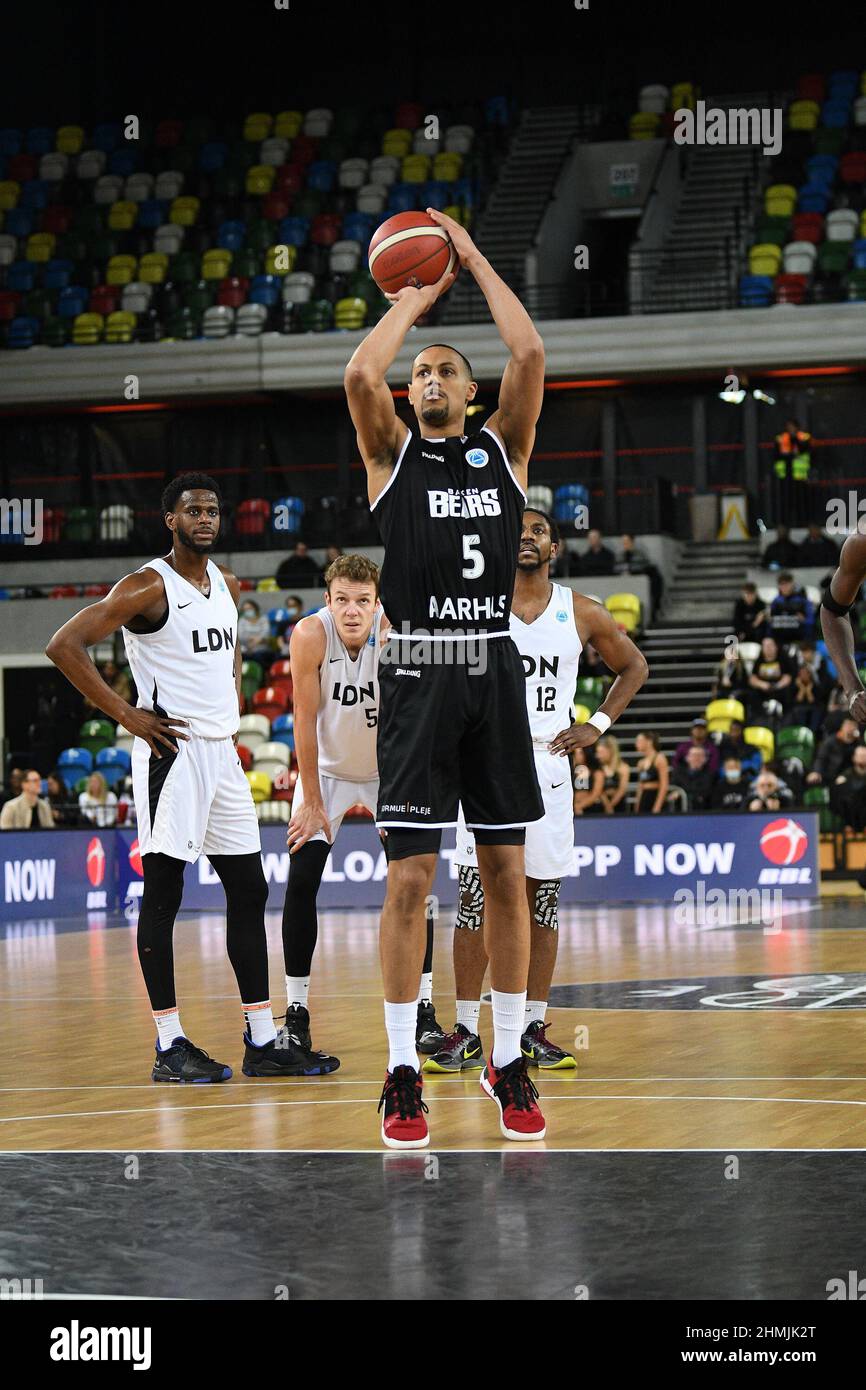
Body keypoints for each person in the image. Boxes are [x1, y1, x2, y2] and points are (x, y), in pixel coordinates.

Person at [345, 206, 553, 1147]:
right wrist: (416, 299)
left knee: (505, 875)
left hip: (493, 670)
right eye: (419, 370)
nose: (425, 374)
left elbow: (532, 352)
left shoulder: (502, 450)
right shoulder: (393, 457)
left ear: (469, 394)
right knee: (410, 881)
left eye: (443, 370)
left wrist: (470, 254)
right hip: (422, 670)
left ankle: (506, 1058)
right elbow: (359, 372)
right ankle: (401, 1071)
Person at [46, 471, 337, 1084]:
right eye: (193, 511)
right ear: (170, 520)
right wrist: (128, 714)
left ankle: (262, 1038)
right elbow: (64, 644)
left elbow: (226, 657)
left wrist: (229, 707)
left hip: (221, 753)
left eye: (213, 510)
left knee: (250, 889)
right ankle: (168, 1044)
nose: (205, 518)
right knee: (165, 896)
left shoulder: (227, 586)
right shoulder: (147, 586)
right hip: (169, 754)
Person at [424, 507, 647, 1075]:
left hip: (547, 764)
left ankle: (529, 1028)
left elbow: (633, 667)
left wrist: (595, 725)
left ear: (555, 548)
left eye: (538, 531)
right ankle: (467, 1031)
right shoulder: (476, 605)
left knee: (540, 901)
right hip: (484, 764)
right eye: (517, 529)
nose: (526, 537)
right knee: (474, 903)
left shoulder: (583, 612)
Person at [280, 554, 445, 1062]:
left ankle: (424, 1010)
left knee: (414, 883)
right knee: (301, 879)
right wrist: (310, 801)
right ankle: (296, 1013)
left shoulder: (396, 635)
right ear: (328, 601)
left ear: (378, 603)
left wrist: (409, 780)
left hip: (386, 772)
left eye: (364, 601)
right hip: (325, 773)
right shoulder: (310, 635)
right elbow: (303, 721)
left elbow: (416, 716)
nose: (353, 611)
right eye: (343, 601)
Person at [773, 419, 812, 526]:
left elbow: (805, 450)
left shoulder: (804, 437)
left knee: (802, 501)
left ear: (797, 427)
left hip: (800, 475)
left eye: (792, 426)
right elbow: (776, 455)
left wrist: (795, 441)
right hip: (785, 475)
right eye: (788, 426)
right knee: (786, 501)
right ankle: (786, 522)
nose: (791, 429)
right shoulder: (781, 439)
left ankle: (802, 522)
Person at [747, 636, 795, 718]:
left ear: (776, 647)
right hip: (763, 689)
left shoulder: (783, 659)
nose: (768, 648)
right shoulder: (759, 661)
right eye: (765, 646)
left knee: (788, 692)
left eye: (770, 645)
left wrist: (777, 686)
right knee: (752, 694)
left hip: (779, 688)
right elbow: (752, 679)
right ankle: (759, 718)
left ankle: (786, 717)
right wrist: (762, 684)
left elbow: (788, 677)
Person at [614, 533, 663, 611]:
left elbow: (643, 566)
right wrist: (624, 570)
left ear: (632, 542)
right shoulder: (620, 555)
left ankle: (655, 607)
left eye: (627, 541)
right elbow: (616, 567)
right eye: (623, 542)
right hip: (623, 580)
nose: (625, 544)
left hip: (639, 579)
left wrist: (630, 569)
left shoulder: (640, 554)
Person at [806, 718, 860, 786]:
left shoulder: (857, 744)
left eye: (853, 725)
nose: (849, 728)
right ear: (842, 726)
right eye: (848, 725)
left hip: (846, 777)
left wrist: (846, 776)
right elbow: (821, 758)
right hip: (827, 776)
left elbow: (854, 765)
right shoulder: (830, 741)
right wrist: (816, 772)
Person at [768, 573, 814, 644]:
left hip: (799, 634)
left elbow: (810, 621)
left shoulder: (803, 600)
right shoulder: (776, 601)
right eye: (782, 585)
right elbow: (771, 620)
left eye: (787, 584)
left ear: (792, 584)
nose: (784, 587)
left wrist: (803, 620)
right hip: (780, 635)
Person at [830, 745, 866, 831]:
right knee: (841, 791)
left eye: (865, 756)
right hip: (851, 810)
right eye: (860, 755)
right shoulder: (846, 774)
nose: (863, 758)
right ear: (853, 758)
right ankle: (848, 825)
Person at [633, 731, 669, 813]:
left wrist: (657, 806)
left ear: (649, 742)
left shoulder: (660, 759)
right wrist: (637, 806)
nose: (636, 744)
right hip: (644, 798)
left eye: (639, 741)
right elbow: (640, 786)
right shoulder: (641, 763)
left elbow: (664, 785)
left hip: (655, 796)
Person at [593, 734, 630, 814]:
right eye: (597, 752)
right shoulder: (599, 769)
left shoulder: (623, 767)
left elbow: (622, 789)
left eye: (601, 752)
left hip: (619, 804)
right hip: (602, 804)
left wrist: (611, 805)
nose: (598, 756)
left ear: (610, 751)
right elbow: (599, 790)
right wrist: (607, 805)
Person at [671, 745, 716, 811]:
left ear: (705, 759)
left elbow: (705, 791)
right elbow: (673, 788)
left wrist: (681, 792)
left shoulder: (710, 774)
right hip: (679, 810)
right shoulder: (678, 772)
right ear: (687, 758)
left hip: (702, 810)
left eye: (700, 755)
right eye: (694, 755)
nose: (696, 758)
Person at [237, 598, 274, 666]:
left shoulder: (263, 619)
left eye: (250, 608)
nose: (248, 611)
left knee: (259, 656)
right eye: (246, 609)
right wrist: (253, 639)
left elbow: (266, 633)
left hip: (262, 648)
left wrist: (257, 641)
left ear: (255, 608)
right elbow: (241, 635)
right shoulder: (242, 621)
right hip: (246, 648)